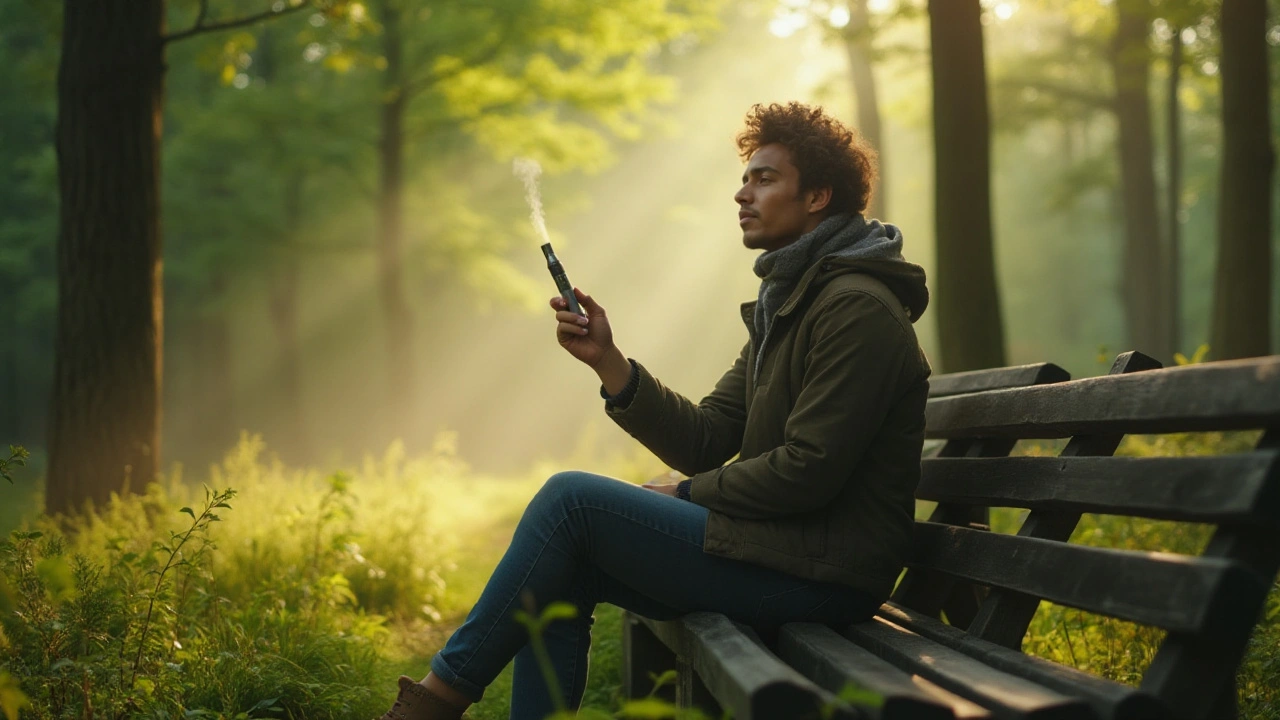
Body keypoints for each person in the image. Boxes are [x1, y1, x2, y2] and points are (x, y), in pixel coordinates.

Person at [378, 101, 931, 720]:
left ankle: (428, 708)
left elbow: (809, 468)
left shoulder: (855, 307)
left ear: (817, 197)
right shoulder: (793, 303)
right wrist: (608, 362)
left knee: (573, 501)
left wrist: (687, 494)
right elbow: (705, 436)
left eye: (764, 178)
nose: (741, 193)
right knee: (569, 568)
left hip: (826, 574)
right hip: (791, 551)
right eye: (746, 177)